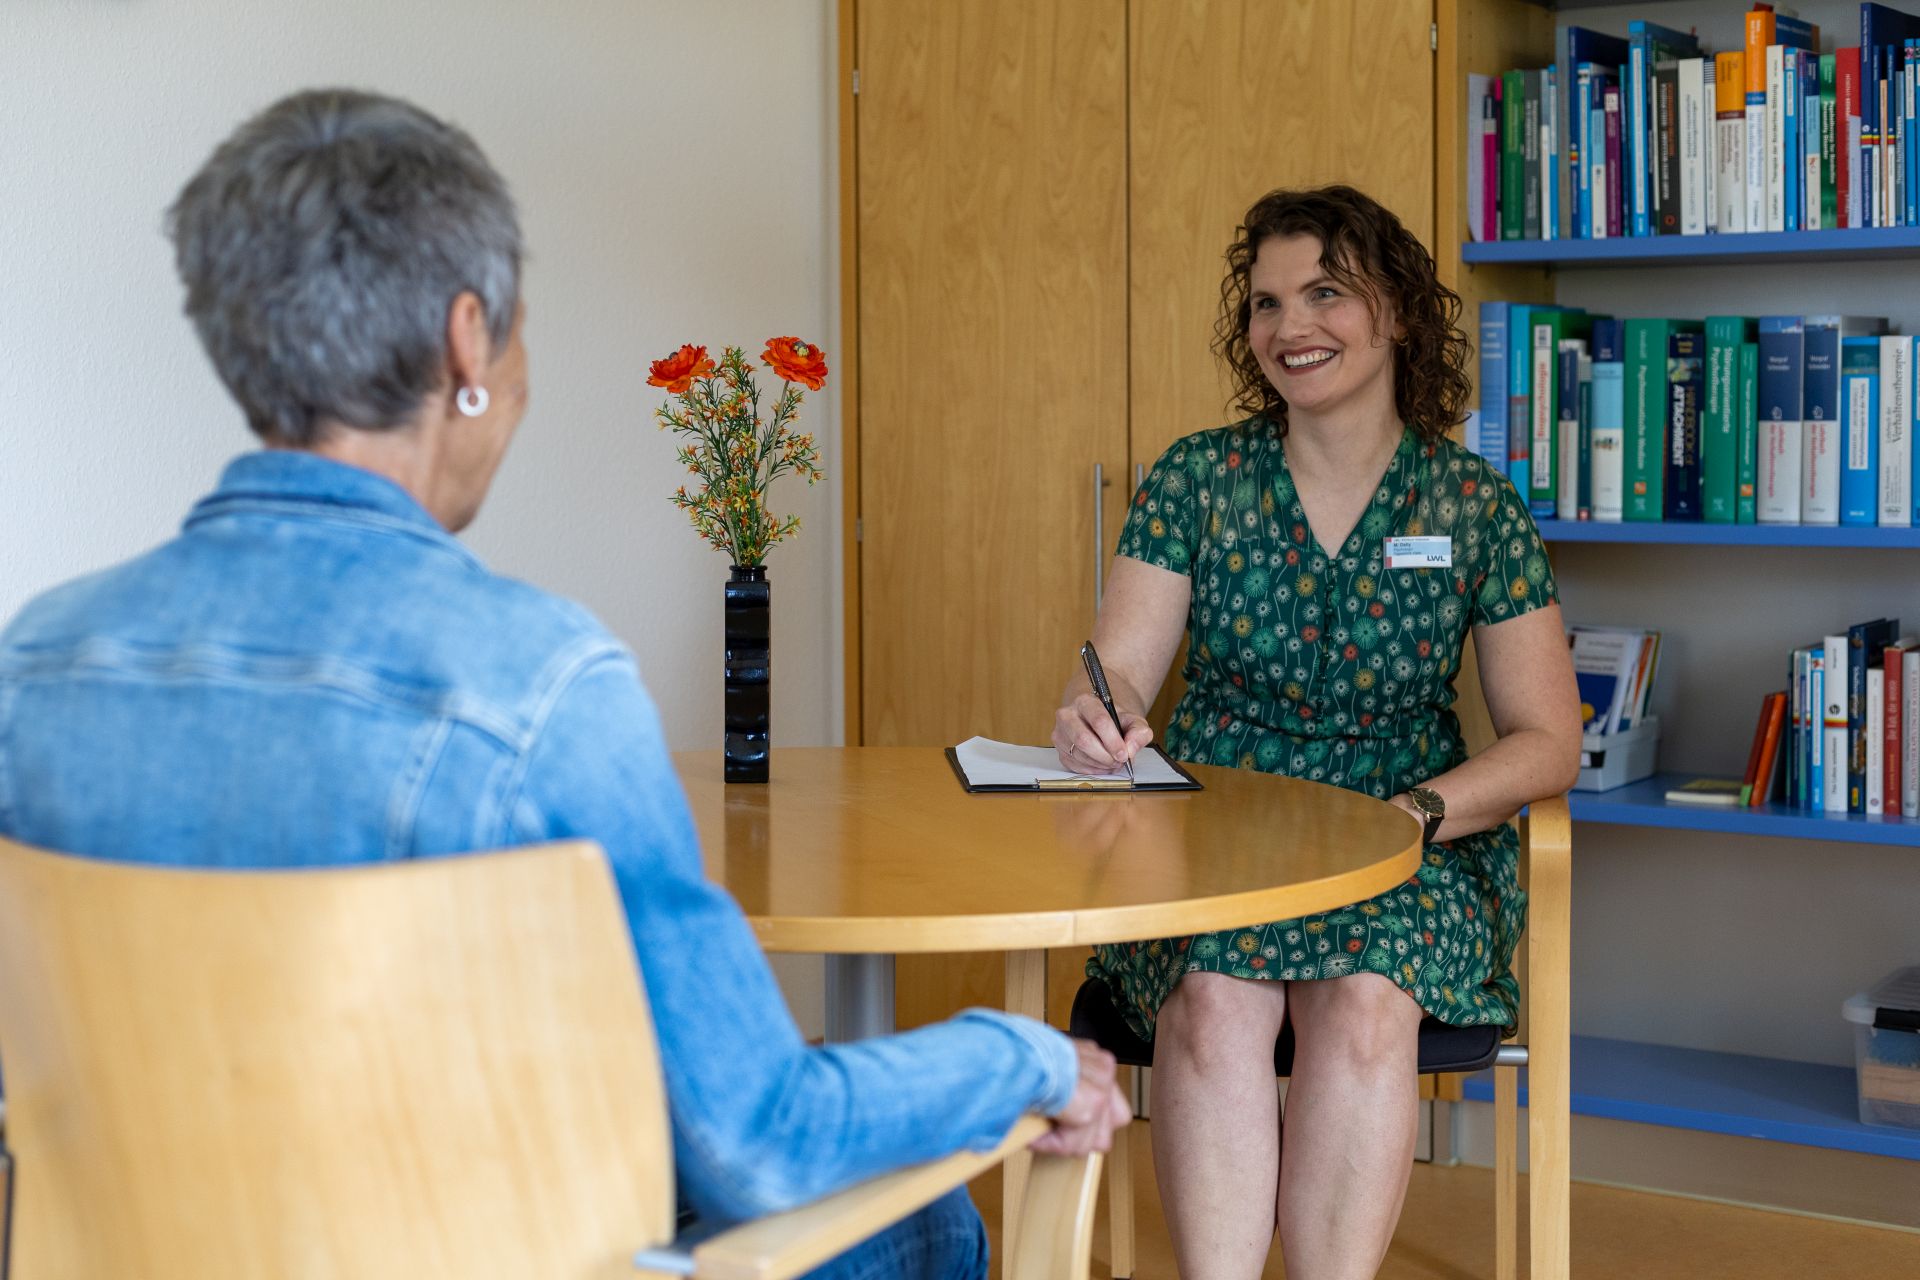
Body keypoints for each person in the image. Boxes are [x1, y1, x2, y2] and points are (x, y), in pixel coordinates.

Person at [0, 89, 1127, 1280]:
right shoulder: (538, 683)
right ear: (466, 342)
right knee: (927, 1220)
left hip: (158, 1250)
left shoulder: (36, 661)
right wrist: (1028, 1057)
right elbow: (761, 1137)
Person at [1053, 185, 1580, 1280]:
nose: (1291, 326)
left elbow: (1548, 738)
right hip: (1219, 825)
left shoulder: (1473, 503)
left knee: (1367, 995)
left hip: (1408, 833)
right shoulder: (1197, 479)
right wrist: (1092, 718)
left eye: (1325, 292)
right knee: (1213, 995)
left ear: (1393, 309)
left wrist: (1418, 814)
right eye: (1267, 303)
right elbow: (1117, 671)